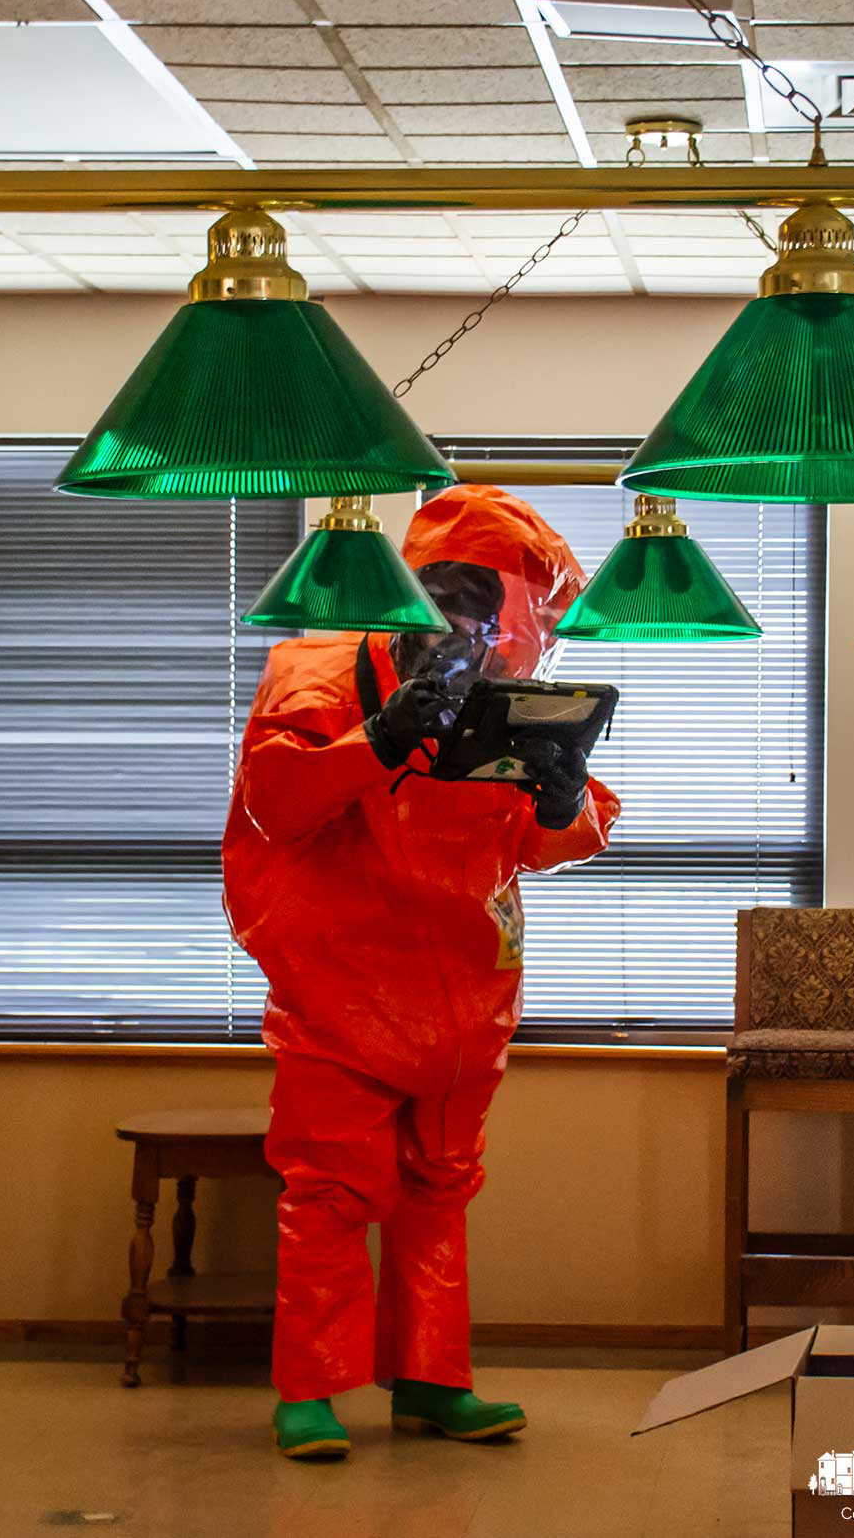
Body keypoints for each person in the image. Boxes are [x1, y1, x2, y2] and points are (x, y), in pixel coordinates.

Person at [222, 484, 621, 1460]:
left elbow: (550, 834)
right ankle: (309, 1387)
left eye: (497, 609)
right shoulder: (312, 672)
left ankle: (434, 1379)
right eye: (456, 597)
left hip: (465, 998)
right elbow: (274, 799)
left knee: (440, 1187)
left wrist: (565, 794)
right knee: (330, 1189)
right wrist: (381, 740)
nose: (479, 628)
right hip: (340, 989)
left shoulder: (503, 699)